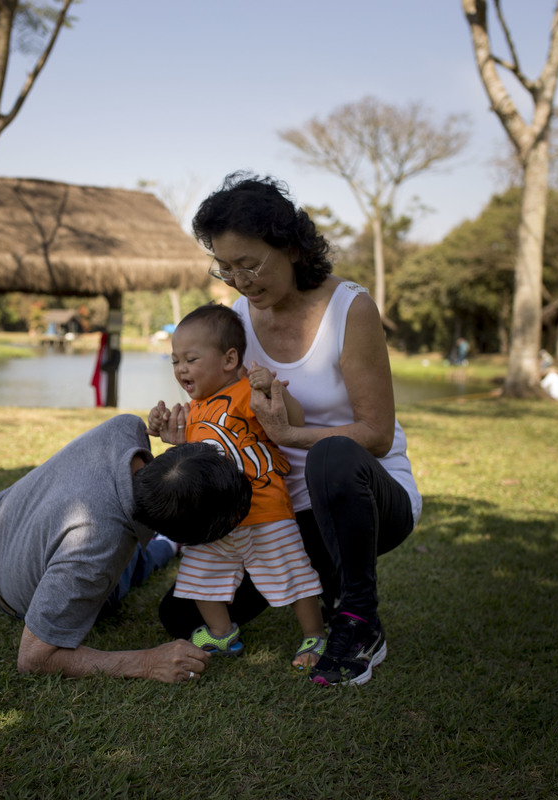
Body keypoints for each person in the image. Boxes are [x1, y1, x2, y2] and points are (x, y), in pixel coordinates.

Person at [158, 172, 422, 688]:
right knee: (181, 617)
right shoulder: (236, 318)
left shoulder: (350, 309)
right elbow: (223, 411)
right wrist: (183, 430)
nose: (240, 280)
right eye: (226, 267)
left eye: (250, 263)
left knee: (331, 455)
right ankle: (320, 582)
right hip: (275, 510)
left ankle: (359, 619)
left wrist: (293, 436)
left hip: (362, 496)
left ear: (293, 247)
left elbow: (377, 434)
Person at [0, 414, 253, 683]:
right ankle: (167, 546)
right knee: (134, 568)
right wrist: (148, 663)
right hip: (12, 589)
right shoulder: (96, 552)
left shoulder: (127, 428)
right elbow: (33, 658)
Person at [147, 303, 327, 669]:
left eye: (191, 359)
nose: (181, 368)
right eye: (175, 361)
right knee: (198, 577)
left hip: (265, 513)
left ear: (229, 359)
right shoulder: (193, 410)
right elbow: (193, 468)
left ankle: (315, 636)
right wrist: (166, 433)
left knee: (292, 572)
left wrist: (274, 390)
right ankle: (222, 633)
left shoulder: (246, 392)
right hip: (215, 521)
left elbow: (295, 421)